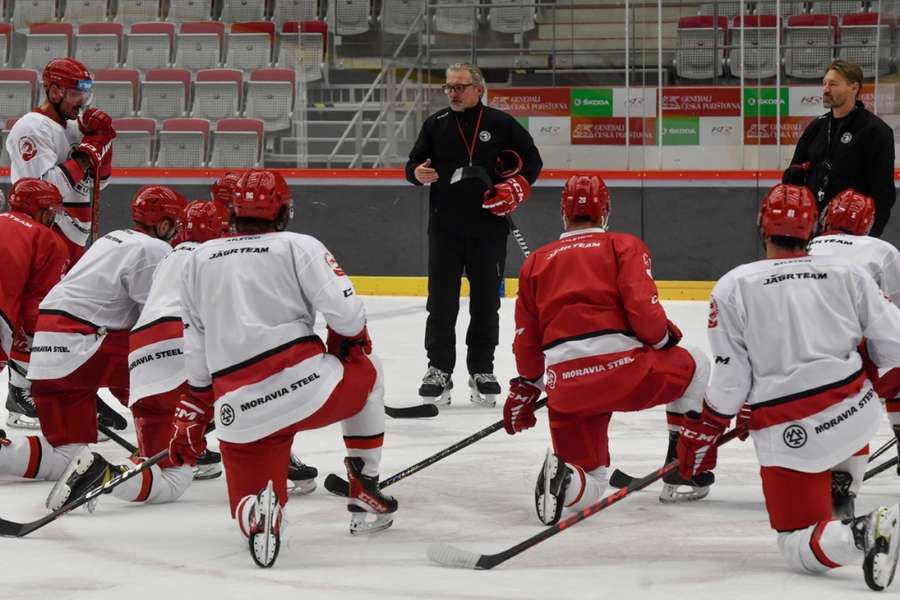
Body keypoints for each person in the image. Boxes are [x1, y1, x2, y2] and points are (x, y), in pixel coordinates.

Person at [676, 183, 900, 590]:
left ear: (762, 225)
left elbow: (731, 380)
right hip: (857, 416)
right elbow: (894, 345)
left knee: (797, 544)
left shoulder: (734, 285)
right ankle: (841, 484)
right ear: (811, 228)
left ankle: (865, 530)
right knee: (845, 411)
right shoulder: (848, 273)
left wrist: (705, 430)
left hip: (793, 434)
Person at [169, 170, 396, 568]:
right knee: (369, 370)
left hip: (240, 410)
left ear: (233, 212)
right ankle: (364, 485)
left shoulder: (198, 259)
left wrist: (195, 405)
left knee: (244, 502)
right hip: (309, 390)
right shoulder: (298, 246)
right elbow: (346, 314)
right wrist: (349, 344)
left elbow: (195, 341)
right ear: (285, 210)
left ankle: (259, 515)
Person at [501, 174, 712, 525]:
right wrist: (663, 340)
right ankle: (682, 471)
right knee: (698, 364)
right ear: (606, 212)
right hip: (626, 376)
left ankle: (566, 480)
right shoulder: (622, 245)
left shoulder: (535, 261)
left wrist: (527, 385)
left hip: (567, 388)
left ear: (563, 214)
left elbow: (527, 338)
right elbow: (644, 311)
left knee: (592, 480)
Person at [0, 186, 183, 506]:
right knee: (173, 472)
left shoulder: (110, 239)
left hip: (45, 354)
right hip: (81, 347)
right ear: (165, 226)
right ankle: (159, 441)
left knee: (66, 455)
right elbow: (151, 325)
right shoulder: (156, 250)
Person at [405, 62, 543, 408]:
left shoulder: (500, 124)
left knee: (486, 302)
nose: (452, 93)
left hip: (489, 229)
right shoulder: (435, 125)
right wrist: (416, 173)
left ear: (478, 89)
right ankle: (438, 368)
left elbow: (532, 161)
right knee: (441, 302)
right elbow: (413, 164)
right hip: (445, 229)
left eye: (459, 87)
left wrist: (515, 186)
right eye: (448, 87)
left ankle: (482, 368)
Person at [4, 57, 116, 430]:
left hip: (74, 235)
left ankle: (76, 388)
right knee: (38, 313)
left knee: (75, 317)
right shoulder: (31, 127)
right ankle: (21, 390)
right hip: (44, 230)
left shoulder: (72, 126)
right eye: (74, 92)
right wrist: (87, 152)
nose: (82, 100)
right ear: (52, 90)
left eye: (86, 91)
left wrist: (103, 144)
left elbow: (98, 181)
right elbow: (49, 189)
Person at [808, 189, 900, 480]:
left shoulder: (806, 245)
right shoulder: (879, 250)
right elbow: (895, 314)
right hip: (851, 364)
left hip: (792, 359)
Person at [783, 59, 895, 237]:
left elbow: (883, 192)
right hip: (811, 231)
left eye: (833, 84)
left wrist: (871, 237)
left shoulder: (875, 131)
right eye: (824, 83)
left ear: (854, 88)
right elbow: (793, 176)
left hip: (851, 232)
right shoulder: (816, 128)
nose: (826, 89)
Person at [0, 179, 69, 433]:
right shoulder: (48, 240)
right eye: (51, 211)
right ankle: (18, 397)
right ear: (40, 209)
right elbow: (35, 311)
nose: (52, 217)